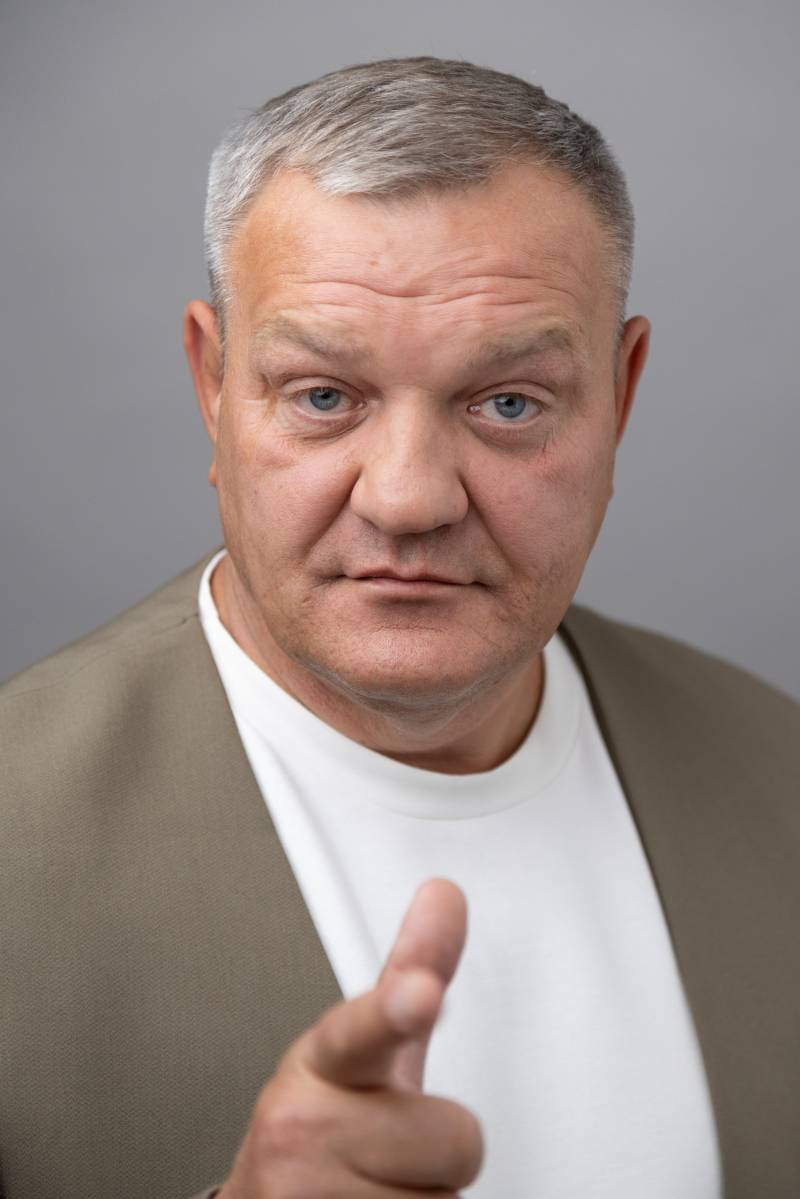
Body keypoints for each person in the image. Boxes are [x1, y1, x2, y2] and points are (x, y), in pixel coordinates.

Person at [1, 55, 797, 1199]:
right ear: (212, 383)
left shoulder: (776, 767)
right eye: (323, 395)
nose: (409, 497)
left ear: (619, 398)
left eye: (507, 402)